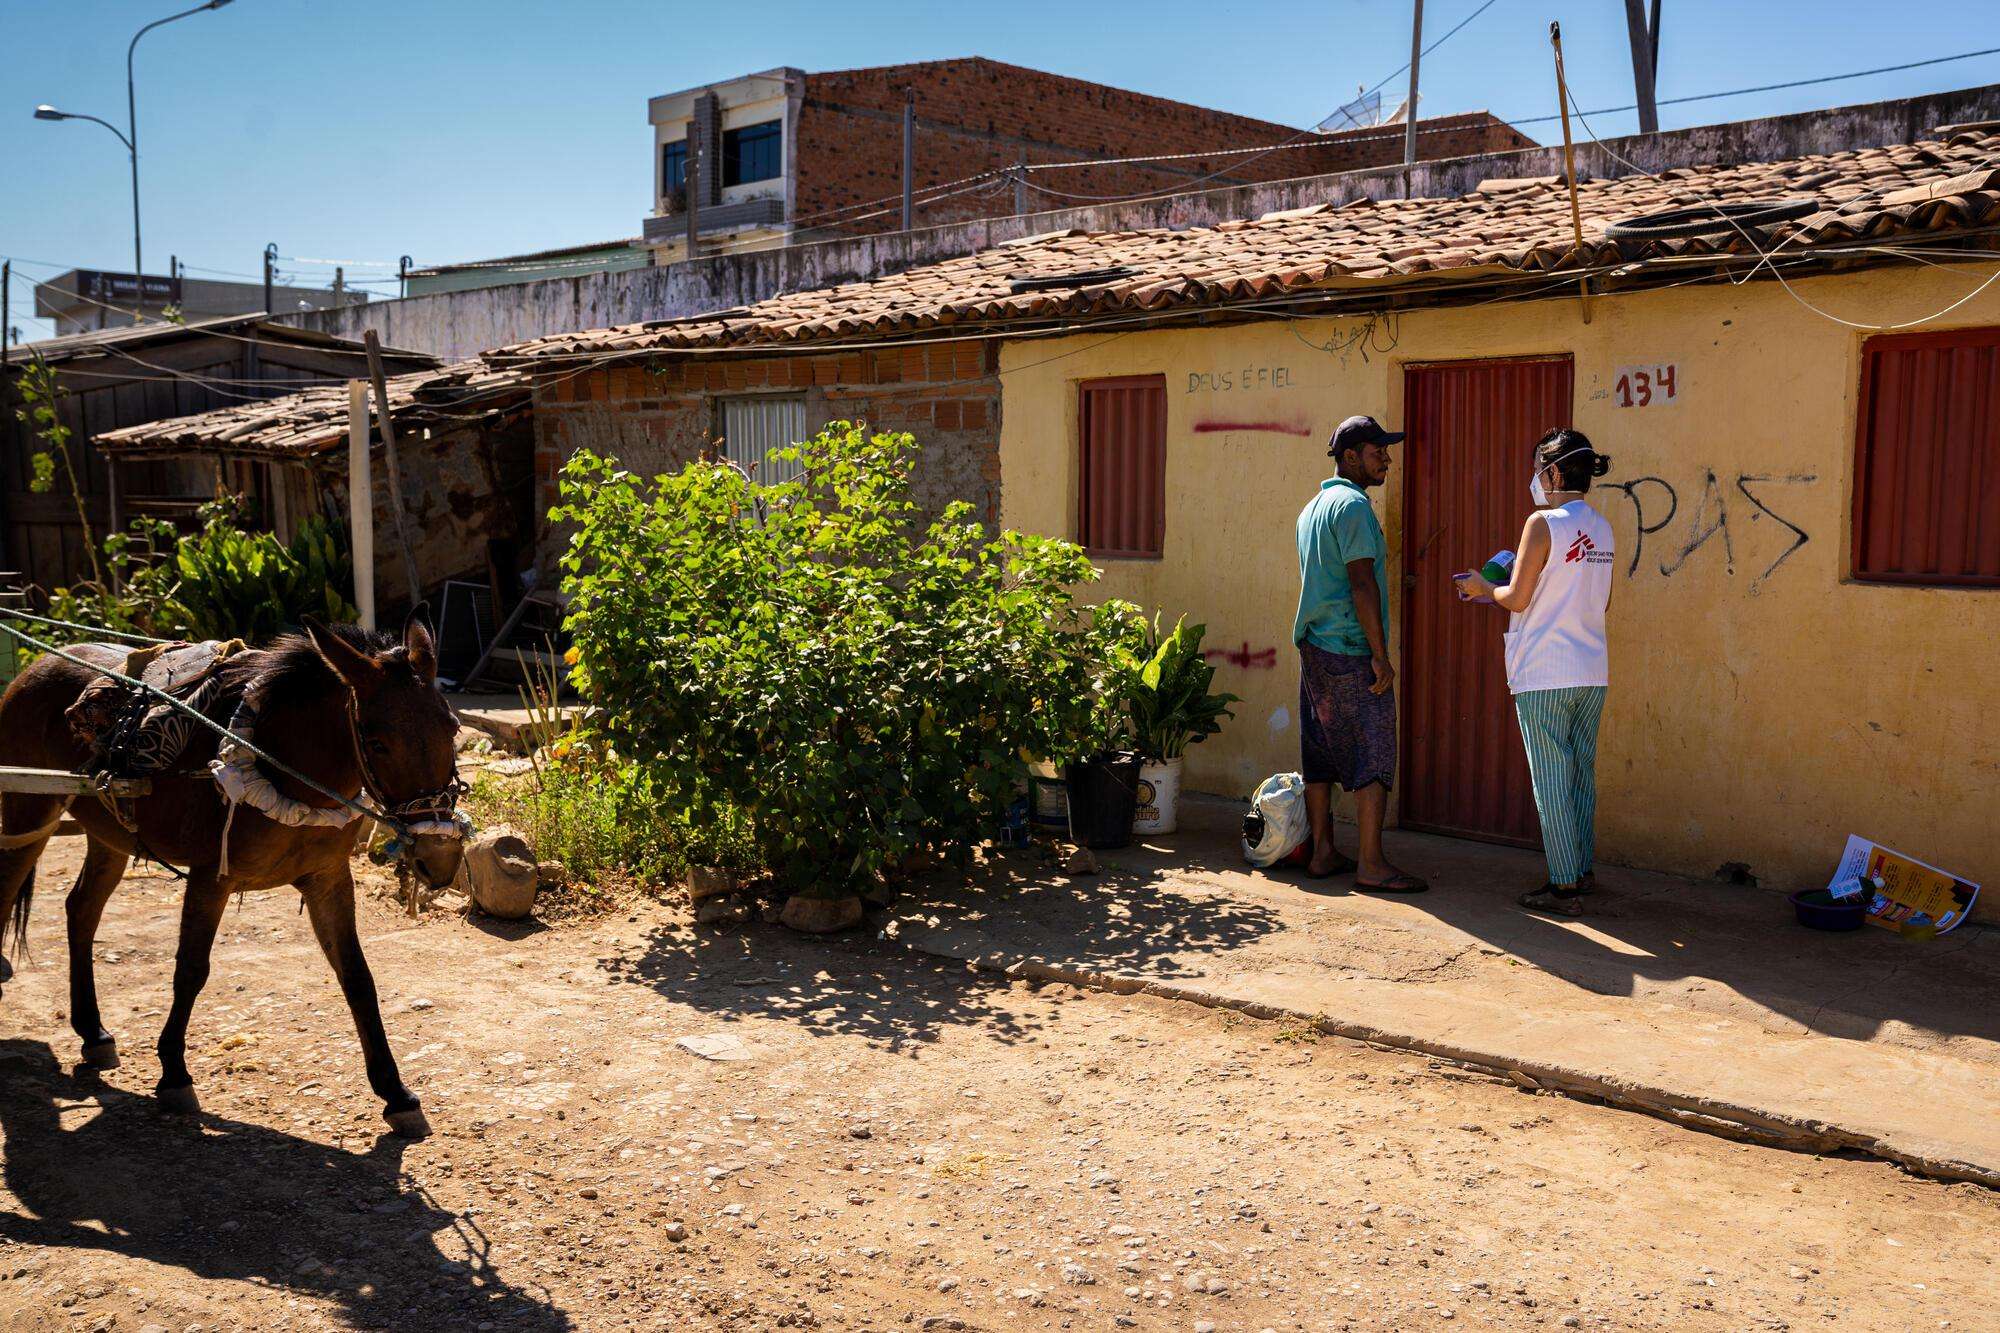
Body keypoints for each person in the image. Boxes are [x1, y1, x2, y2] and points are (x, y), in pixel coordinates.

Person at [1454, 428, 1615, 915]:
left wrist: (1485, 588)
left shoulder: (1541, 524)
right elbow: (1603, 599)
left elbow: (1518, 597)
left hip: (1546, 671)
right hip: (1591, 669)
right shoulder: (1603, 528)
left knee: (1551, 779)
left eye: (1540, 469)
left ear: (1554, 471)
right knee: (1581, 774)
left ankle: (1562, 886)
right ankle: (1581, 871)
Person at [1292, 415, 1428, 893]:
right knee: (1373, 750)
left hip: (1314, 649)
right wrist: (1380, 653)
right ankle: (1371, 863)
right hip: (1350, 650)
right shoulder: (1352, 508)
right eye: (1377, 451)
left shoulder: (1312, 508)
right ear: (1350, 457)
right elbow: (1361, 582)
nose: (1387, 458)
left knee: (1321, 751)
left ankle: (1323, 852)